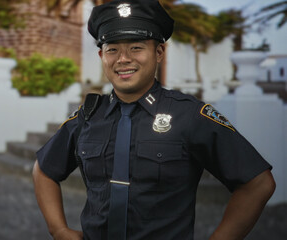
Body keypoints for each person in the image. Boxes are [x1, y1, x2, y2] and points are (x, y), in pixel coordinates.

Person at [32, 0, 276, 239]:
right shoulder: (88, 116)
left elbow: (258, 183)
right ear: (101, 55)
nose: (123, 59)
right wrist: (59, 230)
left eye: (136, 47)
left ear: (159, 52)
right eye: (112, 49)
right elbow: (43, 170)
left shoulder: (189, 115)